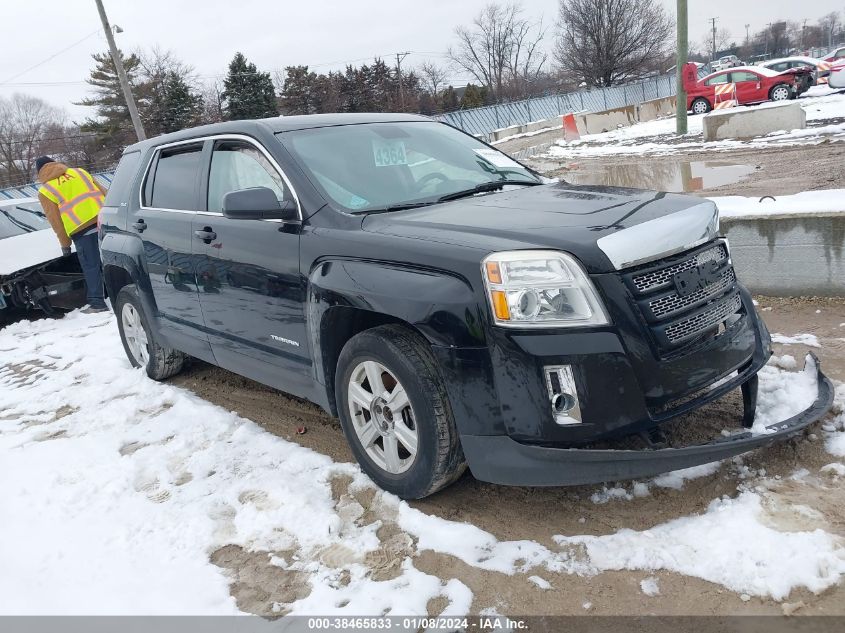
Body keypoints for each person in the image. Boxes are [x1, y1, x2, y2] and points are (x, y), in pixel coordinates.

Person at [35, 156, 108, 314]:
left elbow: (56, 221)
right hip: (105, 221)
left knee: (91, 266)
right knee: (112, 260)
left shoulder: (46, 190)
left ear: (39, 172)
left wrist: (65, 244)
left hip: (82, 230)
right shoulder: (80, 172)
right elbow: (105, 192)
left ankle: (97, 303)